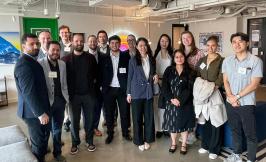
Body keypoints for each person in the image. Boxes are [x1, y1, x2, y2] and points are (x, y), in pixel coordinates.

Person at [223, 32, 263, 162]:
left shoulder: (255, 61)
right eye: (234, 42)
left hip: (246, 103)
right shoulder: (227, 60)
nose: (237, 44)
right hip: (230, 102)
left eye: (240, 41)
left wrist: (237, 97)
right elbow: (225, 81)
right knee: (235, 130)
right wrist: (230, 96)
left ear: (247, 43)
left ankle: (251, 159)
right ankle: (237, 154)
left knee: (250, 133)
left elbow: (254, 84)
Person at [14, 33, 50, 162]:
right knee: (38, 144)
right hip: (32, 113)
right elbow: (28, 92)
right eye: (31, 44)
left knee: (42, 139)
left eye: (37, 44)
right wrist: (40, 113)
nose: (36, 46)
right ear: (24, 46)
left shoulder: (31, 61)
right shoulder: (24, 64)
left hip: (37, 110)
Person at [62, 33, 97, 154]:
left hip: (88, 95)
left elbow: (96, 75)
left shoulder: (90, 58)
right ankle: (75, 143)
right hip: (73, 97)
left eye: (81, 41)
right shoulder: (65, 60)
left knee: (89, 120)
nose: (79, 43)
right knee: (74, 121)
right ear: (72, 41)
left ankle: (90, 141)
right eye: (76, 41)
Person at [195, 36, 226, 160]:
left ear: (217, 46)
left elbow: (222, 77)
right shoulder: (202, 60)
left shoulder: (221, 60)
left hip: (214, 93)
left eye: (213, 45)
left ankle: (215, 149)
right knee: (205, 120)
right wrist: (202, 90)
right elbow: (197, 75)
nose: (210, 48)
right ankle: (206, 145)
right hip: (202, 95)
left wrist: (213, 87)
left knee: (216, 121)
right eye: (208, 45)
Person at [38, 41, 69, 162]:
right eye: (53, 50)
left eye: (57, 50)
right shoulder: (40, 63)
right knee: (45, 130)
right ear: (47, 50)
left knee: (57, 128)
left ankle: (57, 152)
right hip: (46, 103)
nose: (55, 52)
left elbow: (64, 82)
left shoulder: (62, 64)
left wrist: (66, 98)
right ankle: (42, 153)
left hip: (60, 102)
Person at [99, 35, 132, 144]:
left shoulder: (125, 56)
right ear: (109, 44)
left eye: (116, 43)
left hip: (122, 89)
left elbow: (130, 73)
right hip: (109, 90)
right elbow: (100, 73)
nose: (114, 45)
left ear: (120, 44)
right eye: (112, 43)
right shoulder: (104, 58)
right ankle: (110, 134)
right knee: (109, 113)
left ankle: (125, 133)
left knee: (124, 113)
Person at [161, 49, 196, 155]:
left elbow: (190, 88)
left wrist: (180, 100)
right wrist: (171, 99)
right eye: (177, 57)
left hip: (185, 102)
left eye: (181, 56)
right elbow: (164, 86)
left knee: (184, 124)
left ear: (184, 58)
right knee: (172, 124)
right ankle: (173, 143)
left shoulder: (190, 71)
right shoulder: (169, 70)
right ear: (174, 59)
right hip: (171, 102)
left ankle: (184, 143)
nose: (179, 59)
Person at [127, 37, 157, 151]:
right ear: (137, 47)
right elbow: (129, 77)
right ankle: (139, 140)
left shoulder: (152, 59)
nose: (143, 47)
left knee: (149, 118)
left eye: (144, 45)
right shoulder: (133, 60)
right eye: (140, 45)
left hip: (148, 92)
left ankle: (147, 139)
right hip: (136, 93)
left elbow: (153, 73)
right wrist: (128, 93)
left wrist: (155, 76)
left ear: (147, 47)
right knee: (137, 118)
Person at [179, 31, 204, 144]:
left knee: (193, 109)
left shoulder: (199, 53)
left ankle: (192, 133)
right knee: (184, 107)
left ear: (192, 38)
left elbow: (202, 70)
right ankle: (184, 131)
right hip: (182, 84)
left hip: (194, 84)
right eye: (183, 38)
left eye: (188, 37)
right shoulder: (180, 52)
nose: (186, 39)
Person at [153, 34, 173, 138]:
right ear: (159, 42)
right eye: (162, 41)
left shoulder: (172, 55)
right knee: (157, 106)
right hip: (157, 83)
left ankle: (166, 128)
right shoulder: (155, 54)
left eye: (166, 41)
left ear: (169, 43)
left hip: (168, 84)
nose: (164, 43)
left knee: (167, 107)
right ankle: (159, 129)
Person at [87, 35, 103, 136]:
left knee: (97, 108)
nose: (92, 43)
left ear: (97, 42)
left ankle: (95, 127)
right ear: (87, 43)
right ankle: (88, 129)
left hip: (99, 87)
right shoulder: (83, 55)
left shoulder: (103, 55)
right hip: (87, 88)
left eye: (94, 41)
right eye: (90, 41)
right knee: (87, 110)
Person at [59, 25, 72, 132]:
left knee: (72, 100)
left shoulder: (74, 45)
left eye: (66, 32)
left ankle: (72, 119)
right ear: (59, 34)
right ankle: (66, 120)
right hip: (62, 77)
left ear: (69, 33)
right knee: (64, 100)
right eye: (62, 32)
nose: (64, 34)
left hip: (73, 77)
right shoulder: (57, 46)